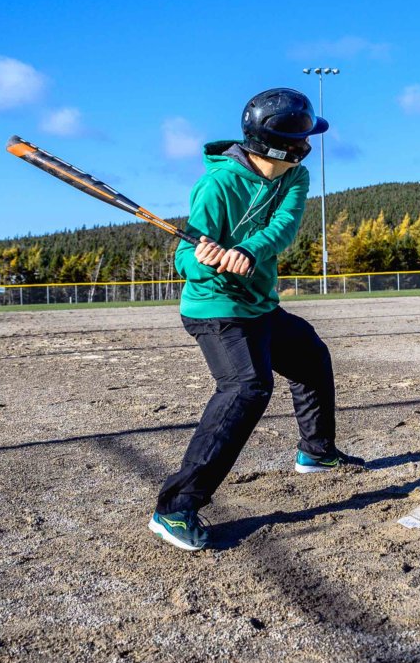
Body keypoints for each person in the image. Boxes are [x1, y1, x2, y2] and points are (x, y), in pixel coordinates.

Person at [149, 87, 364, 552]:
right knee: (247, 387)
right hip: (216, 309)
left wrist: (247, 250)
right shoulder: (217, 186)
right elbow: (185, 259)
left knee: (309, 355)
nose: (309, 146)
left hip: (259, 304)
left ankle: (316, 452)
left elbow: (282, 228)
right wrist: (205, 258)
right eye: (304, 139)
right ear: (284, 146)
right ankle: (175, 507)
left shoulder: (295, 177)